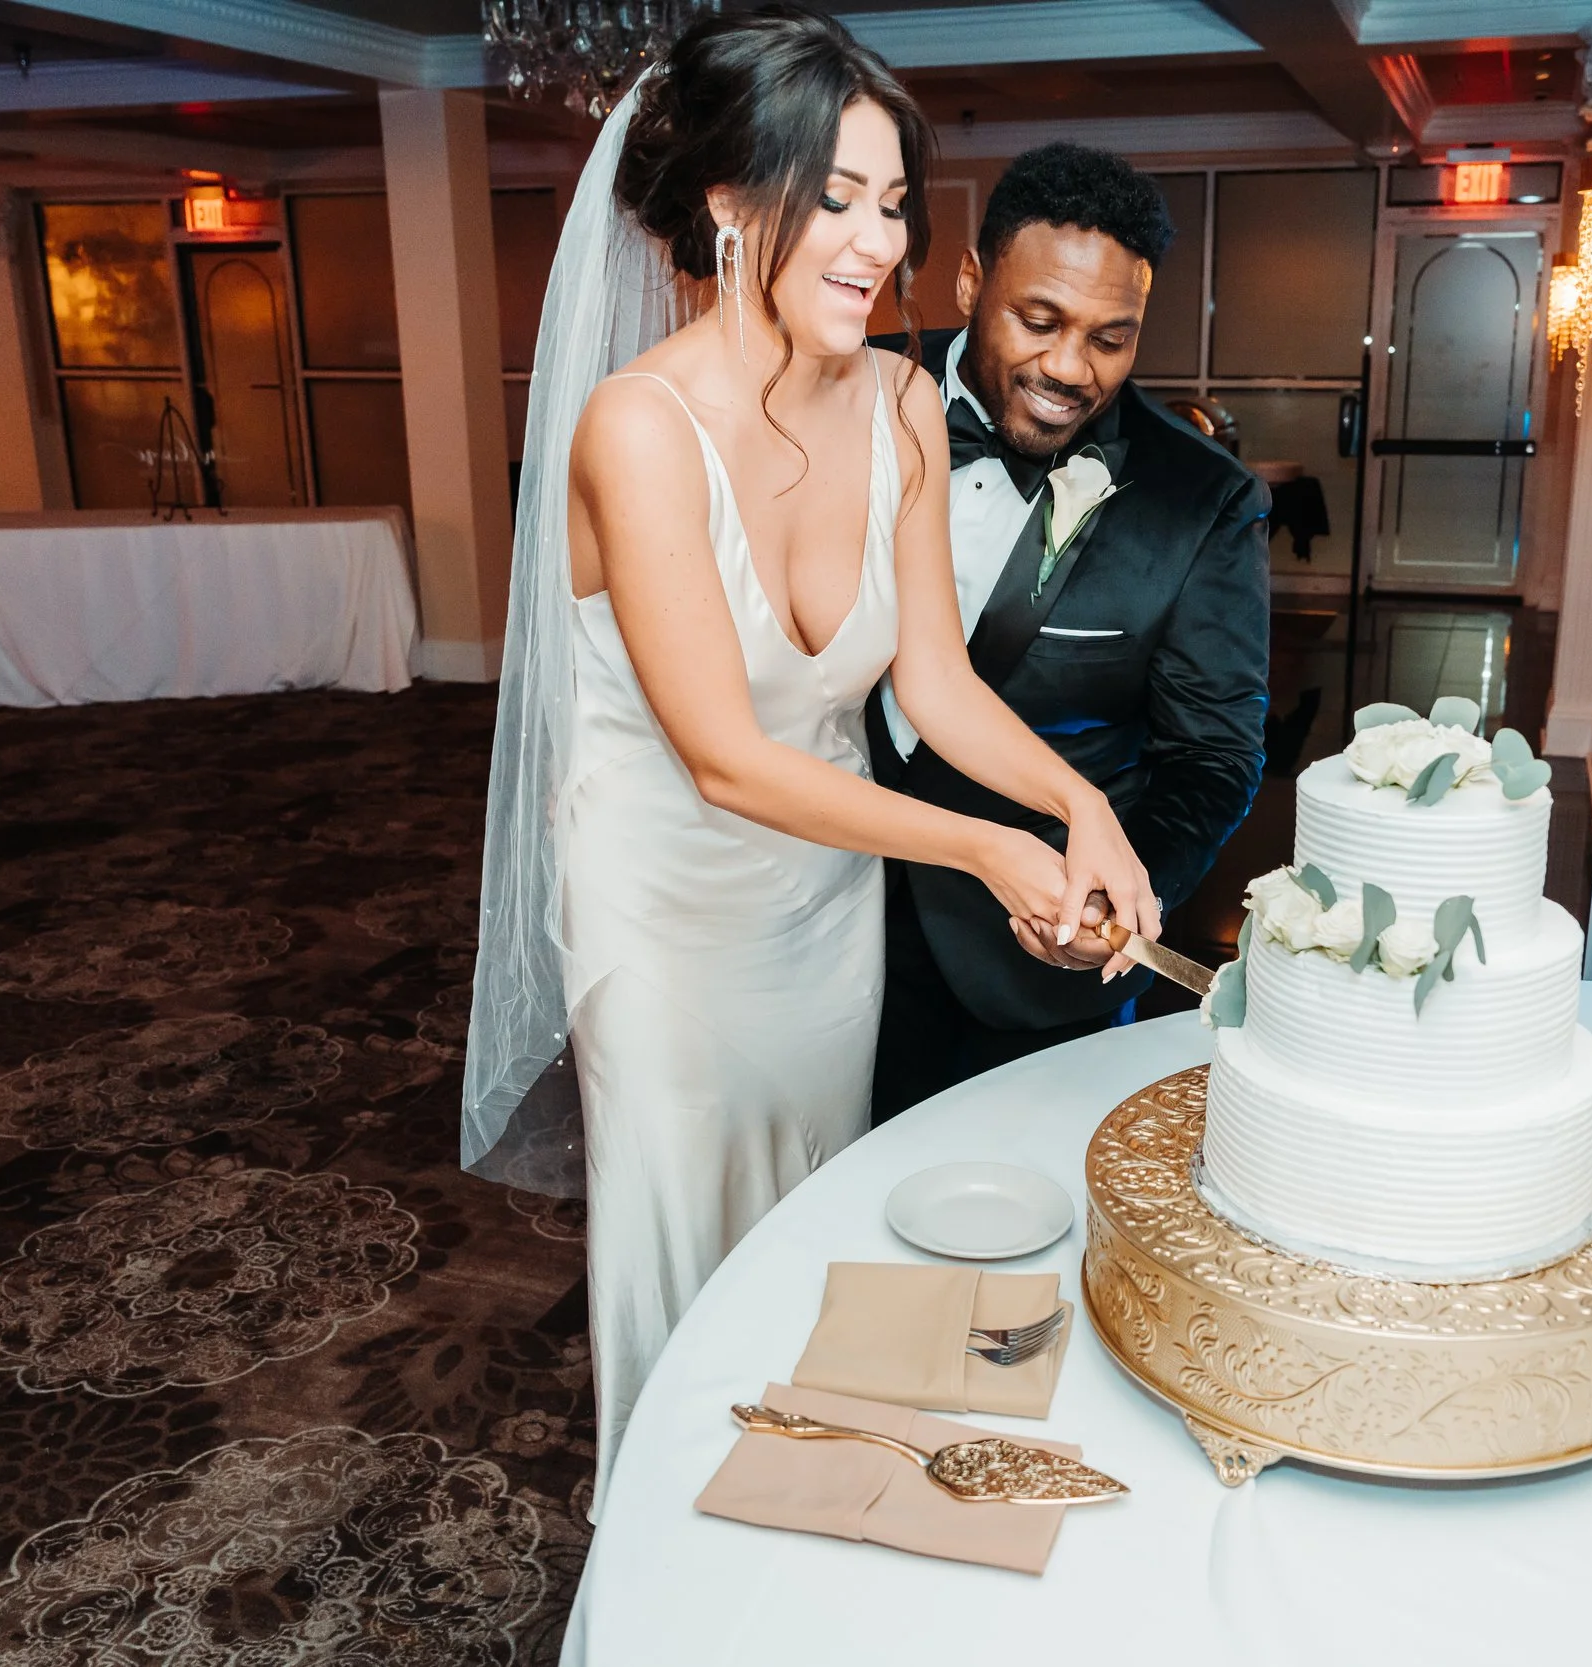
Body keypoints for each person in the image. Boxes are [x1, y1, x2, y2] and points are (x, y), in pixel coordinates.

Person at [459, 11, 1162, 1512]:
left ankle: (805, 1535)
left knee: (813, 1245)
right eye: (835, 197)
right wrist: (984, 848)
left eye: (895, 203)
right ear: (728, 204)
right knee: (681, 1255)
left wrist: (1075, 801)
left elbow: (934, 677)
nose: (876, 241)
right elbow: (721, 755)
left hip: (820, 914)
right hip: (665, 916)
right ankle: (665, 1547)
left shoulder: (904, 402)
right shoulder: (634, 433)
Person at [867, 144, 1272, 1120]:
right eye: (1037, 320)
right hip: (820, 909)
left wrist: (1115, 897)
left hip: (1031, 954)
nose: (1066, 368)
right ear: (971, 279)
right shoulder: (851, 398)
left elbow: (1211, 756)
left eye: (1109, 338)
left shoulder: (1199, 502)